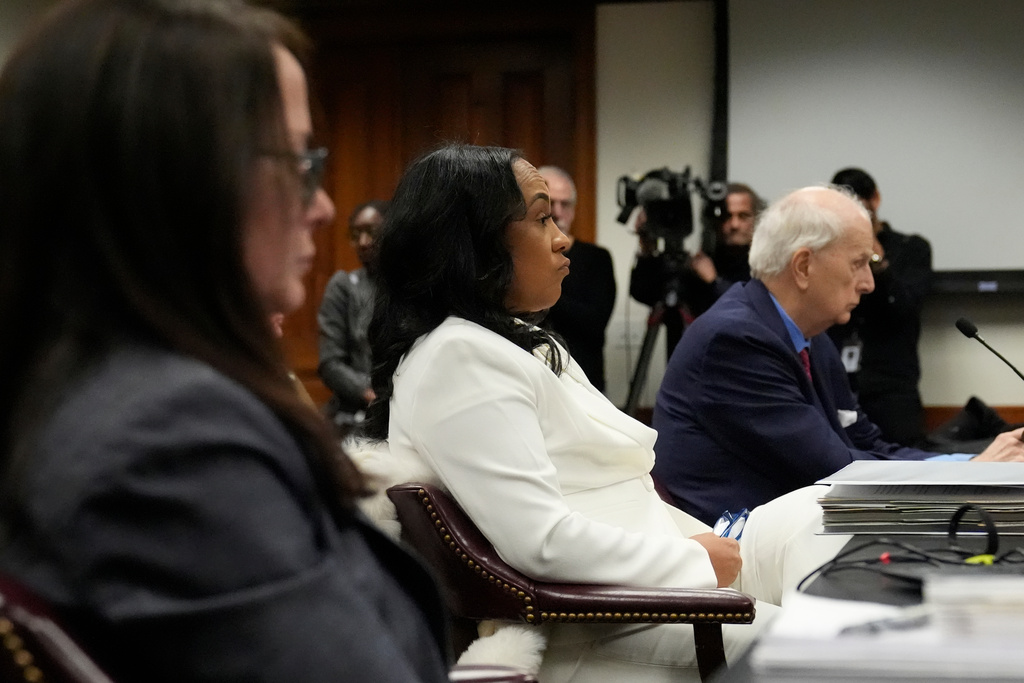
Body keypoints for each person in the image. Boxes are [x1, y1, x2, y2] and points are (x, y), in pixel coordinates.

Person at [0, 1, 449, 681]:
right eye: (298, 162)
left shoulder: (80, 386)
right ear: (178, 181)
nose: (323, 205)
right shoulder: (173, 439)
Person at [363, 144, 851, 683]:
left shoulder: (510, 338)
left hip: (655, 570)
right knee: (834, 647)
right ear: (475, 242)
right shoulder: (458, 356)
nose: (563, 236)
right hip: (610, 615)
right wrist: (695, 562)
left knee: (830, 512)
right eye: (542, 217)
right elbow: (542, 544)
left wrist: (716, 548)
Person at [651, 186, 1024, 526]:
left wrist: (972, 464)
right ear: (803, 266)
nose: (869, 283)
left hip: (803, 530)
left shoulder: (811, 336)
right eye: (859, 262)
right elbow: (835, 470)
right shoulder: (735, 341)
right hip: (734, 561)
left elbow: (868, 444)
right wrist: (973, 472)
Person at [828, 168, 933, 446]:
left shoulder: (911, 248)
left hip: (893, 387)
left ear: (875, 199)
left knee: (908, 467)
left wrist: (871, 252)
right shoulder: (832, 250)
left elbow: (904, 307)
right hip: (839, 381)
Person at [628, 183, 761, 359]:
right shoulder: (698, 265)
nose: (734, 224)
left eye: (743, 216)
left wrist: (714, 282)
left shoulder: (766, 265)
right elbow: (644, 293)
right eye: (726, 216)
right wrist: (647, 251)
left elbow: (754, 313)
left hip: (743, 365)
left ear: (757, 219)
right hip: (695, 370)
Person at [536, 166, 616, 392]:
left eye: (565, 204)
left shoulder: (596, 258)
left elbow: (594, 323)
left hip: (584, 381)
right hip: (536, 379)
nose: (558, 212)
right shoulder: (522, 260)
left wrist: (543, 295)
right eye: (551, 203)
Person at [318, 200, 386, 429]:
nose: (363, 242)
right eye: (356, 234)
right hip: (354, 412)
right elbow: (331, 363)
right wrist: (372, 394)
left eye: (371, 232)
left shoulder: (408, 287)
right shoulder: (344, 286)